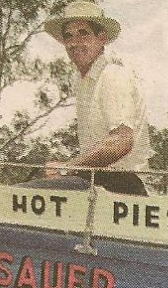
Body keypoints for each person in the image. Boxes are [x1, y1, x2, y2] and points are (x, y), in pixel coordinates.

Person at [39, 1, 151, 195]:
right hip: (94, 180)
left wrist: (67, 167)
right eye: (68, 36)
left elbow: (122, 141)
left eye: (83, 33)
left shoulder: (112, 75)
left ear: (102, 38)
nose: (74, 43)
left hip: (122, 185)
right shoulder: (84, 81)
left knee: (16, 198)